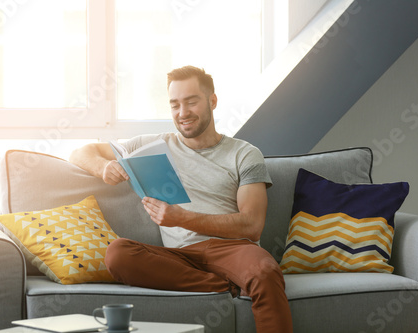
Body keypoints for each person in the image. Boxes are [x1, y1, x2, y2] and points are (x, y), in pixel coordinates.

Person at [69, 65, 293, 332]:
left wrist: (182, 218)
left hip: (233, 250)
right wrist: (103, 168)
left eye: (191, 102)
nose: (182, 113)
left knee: (265, 272)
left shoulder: (244, 154)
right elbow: (82, 152)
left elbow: (252, 224)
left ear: (212, 101)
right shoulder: (153, 145)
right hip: (178, 257)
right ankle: (227, 284)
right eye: (174, 104)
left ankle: (236, 279)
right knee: (118, 254)